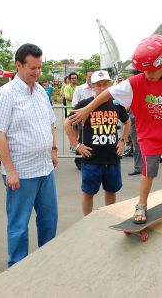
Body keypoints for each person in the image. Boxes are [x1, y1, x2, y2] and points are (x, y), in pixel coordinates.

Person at [69, 34, 162, 224]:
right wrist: (87, 108)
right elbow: (108, 93)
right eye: (144, 71)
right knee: (150, 172)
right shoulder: (135, 83)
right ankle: (141, 204)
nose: (147, 74)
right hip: (150, 137)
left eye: (152, 70)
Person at [0, 43, 58, 267]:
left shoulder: (40, 91)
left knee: (49, 219)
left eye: (40, 67)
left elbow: (50, 123)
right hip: (21, 171)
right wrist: (10, 171)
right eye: (32, 68)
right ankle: (18, 267)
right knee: (19, 224)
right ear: (18, 65)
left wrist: (53, 150)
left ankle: (46, 261)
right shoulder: (5, 95)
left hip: (45, 168)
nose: (37, 72)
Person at [64, 70, 131, 215]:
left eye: (105, 84)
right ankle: (87, 221)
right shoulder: (85, 104)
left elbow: (127, 122)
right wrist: (76, 145)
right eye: (99, 85)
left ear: (110, 85)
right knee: (88, 193)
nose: (102, 88)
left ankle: (109, 217)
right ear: (92, 86)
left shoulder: (116, 104)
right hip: (91, 159)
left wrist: (123, 141)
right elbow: (66, 124)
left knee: (111, 191)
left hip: (112, 158)